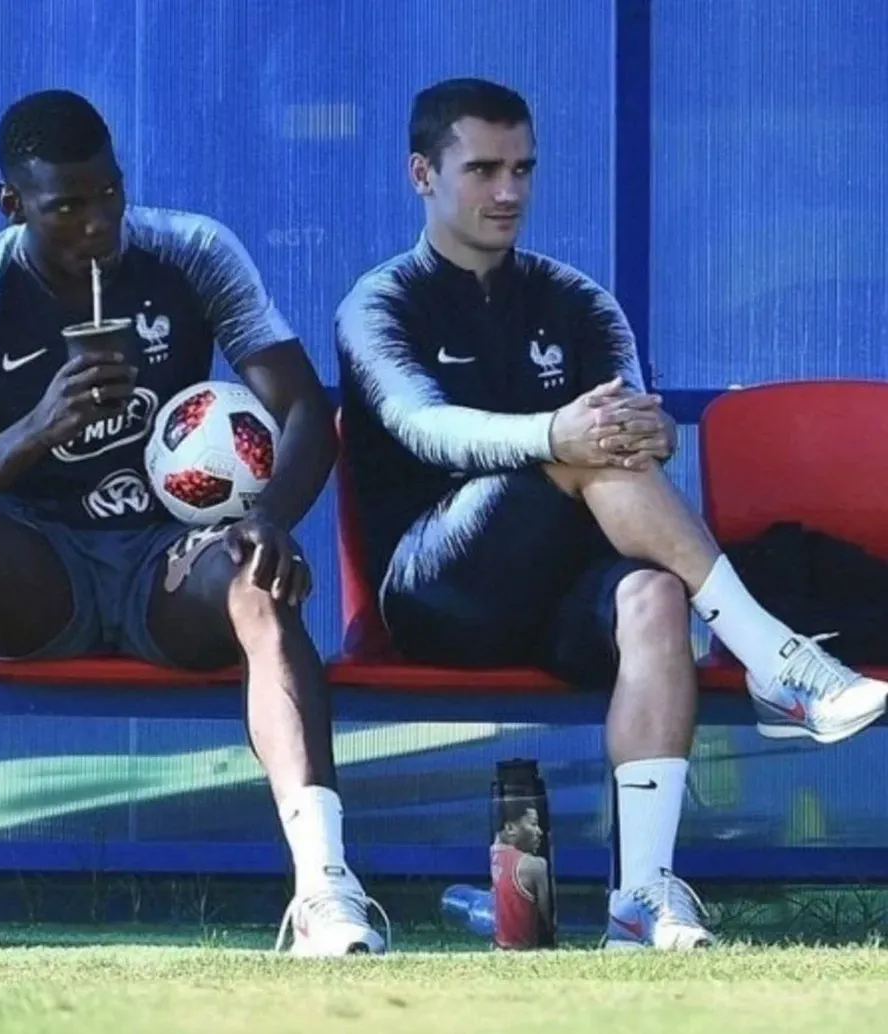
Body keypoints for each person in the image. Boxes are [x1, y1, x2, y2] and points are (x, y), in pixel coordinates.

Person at [335, 77, 888, 950]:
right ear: (420, 174)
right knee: (579, 448)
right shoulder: (379, 304)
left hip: (564, 596)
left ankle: (642, 897)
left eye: (523, 168)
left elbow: (627, 427)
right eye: (482, 169)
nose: (508, 191)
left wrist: (653, 430)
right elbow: (424, 428)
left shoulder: (577, 299)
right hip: (438, 597)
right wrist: (562, 433)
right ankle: (776, 657)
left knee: (654, 599)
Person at [0, 89, 386, 956]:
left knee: (259, 579)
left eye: (108, 194)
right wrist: (33, 432)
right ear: (13, 204)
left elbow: (304, 407)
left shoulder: (190, 252)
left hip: (173, 557)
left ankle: (324, 888)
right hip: (38, 569)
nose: (97, 224)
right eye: (66, 207)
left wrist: (268, 515)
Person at [490, 803, 553, 950]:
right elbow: (549, 925)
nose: (540, 832)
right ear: (510, 828)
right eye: (534, 824)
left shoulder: (489, 858)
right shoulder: (535, 865)